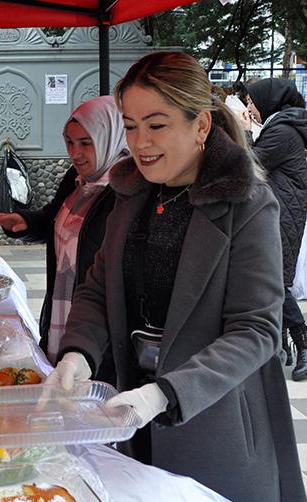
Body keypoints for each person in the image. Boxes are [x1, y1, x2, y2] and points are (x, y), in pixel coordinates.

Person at [48, 52, 305, 501]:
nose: (140, 142)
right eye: (130, 125)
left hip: (212, 418)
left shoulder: (247, 205)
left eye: (157, 124)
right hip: (131, 414)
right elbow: (98, 287)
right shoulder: (130, 194)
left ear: (201, 126)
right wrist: (78, 355)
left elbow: (257, 329)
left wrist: (166, 393)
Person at [0, 96, 128, 381]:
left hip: (100, 327)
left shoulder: (125, 192)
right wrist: (25, 222)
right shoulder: (76, 179)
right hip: (61, 307)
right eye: (70, 142)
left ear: (110, 137)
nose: (75, 153)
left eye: (85, 143)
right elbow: (54, 218)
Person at [243, 78, 307, 378]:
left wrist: (242, 132)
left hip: (282, 213)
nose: (249, 108)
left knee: (276, 282)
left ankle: (303, 343)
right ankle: (280, 348)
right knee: (274, 279)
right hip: (282, 210)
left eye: (252, 102)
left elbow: (249, 163)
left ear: (268, 101)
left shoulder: (281, 131)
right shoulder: (283, 126)